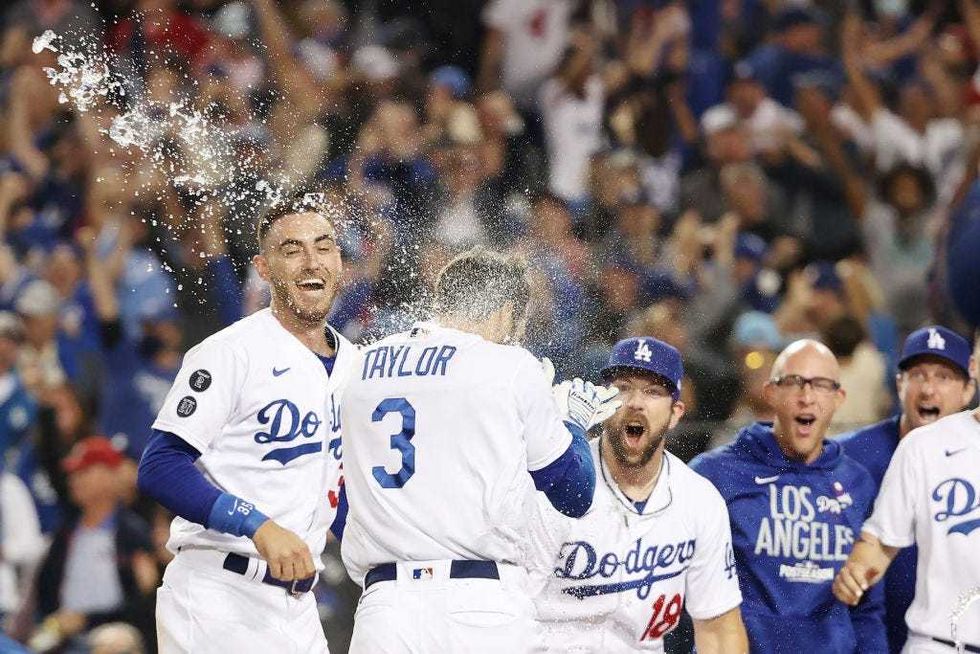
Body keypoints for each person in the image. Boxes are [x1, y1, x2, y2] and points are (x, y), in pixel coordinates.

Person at [340, 247, 621, 653]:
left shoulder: (362, 364)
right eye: (516, 325)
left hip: (385, 609)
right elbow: (575, 493)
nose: (514, 336)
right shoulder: (508, 365)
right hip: (480, 606)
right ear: (504, 310)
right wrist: (571, 420)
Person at [136, 192, 358, 654]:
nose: (311, 262)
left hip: (297, 606)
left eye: (323, 246)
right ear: (263, 267)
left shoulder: (357, 364)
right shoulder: (231, 352)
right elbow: (160, 465)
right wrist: (258, 525)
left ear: (340, 261)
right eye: (292, 250)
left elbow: (337, 494)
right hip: (219, 590)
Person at [531, 337, 747, 653]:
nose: (636, 402)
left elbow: (719, 629)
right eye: (623, 388)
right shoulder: (559, 486)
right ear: (603, 405)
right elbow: (510, 603)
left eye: (653, 391)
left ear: (675, 413)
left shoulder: (699, 499)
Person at [690, 340, 886, 653]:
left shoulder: (858, 483)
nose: (806, 398)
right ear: (771, 393)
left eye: (820, 386)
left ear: (839, 399)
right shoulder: (714, 474)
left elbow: (867, 607)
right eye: (794, 383)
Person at [833, 332, 980, 654]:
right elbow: (879, 542)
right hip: (940, 645)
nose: (929, 389)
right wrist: (856, 570)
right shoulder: (923, 445)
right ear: (975, 365)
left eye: (943, 376)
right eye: (918, 376)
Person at [30, 437, 157, 652]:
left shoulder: (132, 533)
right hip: (62, 634)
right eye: (73, 474)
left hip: (116, 633)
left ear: (109, 474)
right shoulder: (66, 532)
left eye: (84, 472)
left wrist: (87, 620)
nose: (74, 480)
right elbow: (45, 587)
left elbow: (146, 601)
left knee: (113, 642)